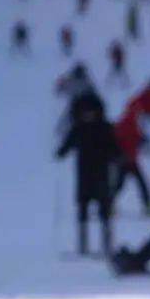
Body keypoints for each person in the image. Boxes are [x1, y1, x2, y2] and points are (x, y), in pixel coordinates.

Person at [55, 91, 119, 256]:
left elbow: (114, 147)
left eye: (91, 111)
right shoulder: (78, 128)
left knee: (105, 211)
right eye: (85, 111)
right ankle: (83, 246)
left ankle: (107, 246)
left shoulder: (105, 128)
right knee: (82, 210)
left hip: (102, 174)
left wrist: (117, 157)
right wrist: (61, 151)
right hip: (84, 175)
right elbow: (67, 144)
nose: (88, 114)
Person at [113, 98, 150, 217]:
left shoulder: (129, 122)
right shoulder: (128, 122)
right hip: (126, 160)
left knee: (120, 184)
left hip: (128, 159)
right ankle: (148, 205)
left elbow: (135, 138)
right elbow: (119, 140)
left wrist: (142, 140)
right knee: (139, 183)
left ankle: (110, 204)